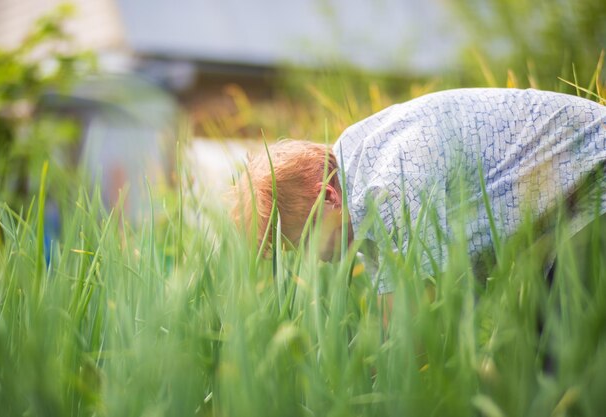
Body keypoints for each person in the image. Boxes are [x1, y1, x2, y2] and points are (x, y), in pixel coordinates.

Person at [233, 88, 606, 303]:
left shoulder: (390, 179)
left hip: (595, 184)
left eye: (306, 240)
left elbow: (411, 311)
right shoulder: (359, 191)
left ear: (327, 196)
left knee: (555, 357)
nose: (313, 258)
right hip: (562, 218)